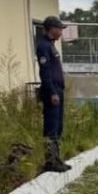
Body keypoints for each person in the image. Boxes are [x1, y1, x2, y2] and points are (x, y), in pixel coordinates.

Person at [36, 15, 70, 173]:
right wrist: (52, 92)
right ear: (51, 29)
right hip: (52, 91)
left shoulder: (51, 45)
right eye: (59, 29)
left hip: (58, 89)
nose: (61, 32)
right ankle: (50, 161)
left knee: (58, 126)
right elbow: (45, 72)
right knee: (51, 127)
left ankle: (57, 159)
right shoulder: (43, 46)